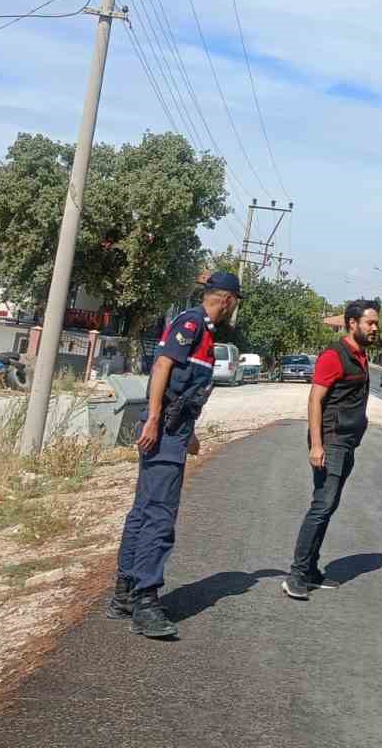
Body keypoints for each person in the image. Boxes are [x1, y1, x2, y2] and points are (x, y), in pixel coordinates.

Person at [108, 270, 242, 637]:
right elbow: (162, 366)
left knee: (143, 511)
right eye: (235, 303)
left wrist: (190, 432)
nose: (233, 310)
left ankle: (124, 593)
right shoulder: (192, 324)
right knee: (159, 518)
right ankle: (145, 602)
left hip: (174, 429)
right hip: (164, 430)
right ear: (227, 299)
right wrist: (153, 419)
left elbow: (186, 391)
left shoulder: (205, 335)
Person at [284, 296, 379, 600]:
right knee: (322, 505)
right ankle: (296, 575)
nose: (375, 328)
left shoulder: (360, 355)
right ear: (353, 324)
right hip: (331, 440)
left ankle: (310, 570)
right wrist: (316, 444)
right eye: (370, 322)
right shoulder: (334, 356)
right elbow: (315, 399)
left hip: (347, 441)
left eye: (376, 323)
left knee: (328, 504)